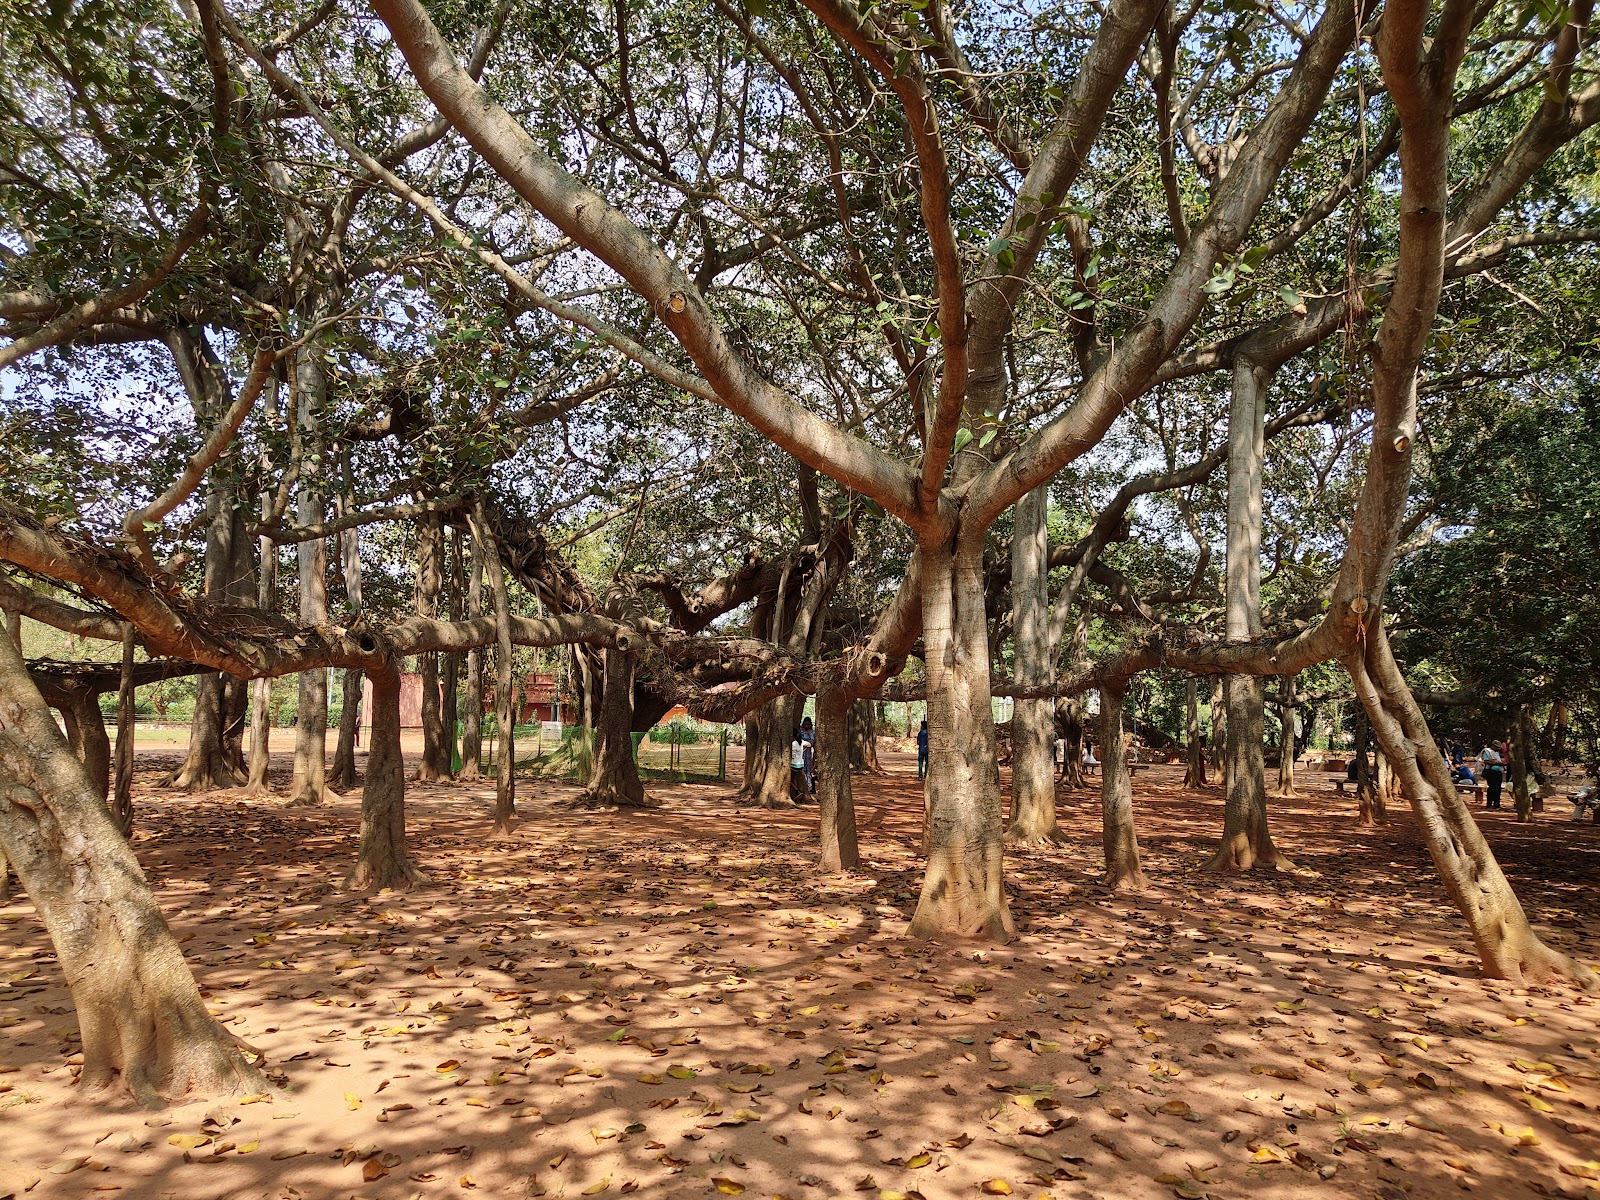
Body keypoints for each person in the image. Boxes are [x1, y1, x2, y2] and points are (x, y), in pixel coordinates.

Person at [1480, 741, 1504, 809]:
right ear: (1493, 746)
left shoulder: (1496, 753)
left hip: (1498, 772)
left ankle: (1497, 803)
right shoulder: (1487, 751)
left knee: (1498, 788)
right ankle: (1489, 803)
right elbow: (1486, 761)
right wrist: (1497, 763)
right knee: (1492, 788)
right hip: (1491, 771)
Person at [789, 728, 808, 804]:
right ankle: (797, 794)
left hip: (794, 764)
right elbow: (809, 744)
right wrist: (803, 751)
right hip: (800, 764)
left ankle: (797, 791)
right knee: (795, 779)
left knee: (789, 780)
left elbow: (792, 754)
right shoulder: (801, 742)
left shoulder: (793, 744)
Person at [800, 716, 816, 793]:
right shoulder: (801, 731)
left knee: (809, 769)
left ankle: (809, 785)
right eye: (805, 724)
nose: (807, 726)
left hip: (810, 752)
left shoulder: (813, 732)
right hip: (801, 751)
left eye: (808, 724)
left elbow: (814, 742)